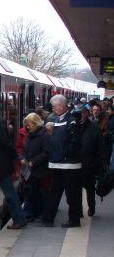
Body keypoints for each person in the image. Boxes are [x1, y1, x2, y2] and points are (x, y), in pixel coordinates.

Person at [41, 94, 83, 228]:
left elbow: (73, 141)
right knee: (54, 192)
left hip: (69, 165)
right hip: (57, 163)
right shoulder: (58, 119)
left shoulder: (72, 120)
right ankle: (48, 218)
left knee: (72, 194)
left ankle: (74, 220)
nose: (53, 109)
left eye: (54, 106)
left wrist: (64, 154)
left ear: (62, 106)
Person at [0, 100, 27, 229]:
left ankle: (19, 219)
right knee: (1, 191)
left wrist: (15, 156)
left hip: (0, 165)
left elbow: (4, 142)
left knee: (9, 194)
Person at [21, 113, 50, 221]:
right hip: (29, 168)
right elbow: (25, 149)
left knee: (35, 192)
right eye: (27, 125)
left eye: (29, 125)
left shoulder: (44, 135)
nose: (27, 127)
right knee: (31, 191)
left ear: (36, 123)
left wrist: (34, 161)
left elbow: (46, 152)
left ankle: (34, 213)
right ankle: (31, 212)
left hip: (39, 169)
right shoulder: (30, 134)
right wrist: (23, 158)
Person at [78, 105, 103, 217]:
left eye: (83, 113)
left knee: (90, 188)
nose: (81, 115)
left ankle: (91, 207)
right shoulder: (74, 126)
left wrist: (99, 163)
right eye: (79, 113)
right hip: (76, 163)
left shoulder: (94, 128)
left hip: (90, 163)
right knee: (76, 189)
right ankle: (78, 210)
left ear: (87, 113)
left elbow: (100, 147)